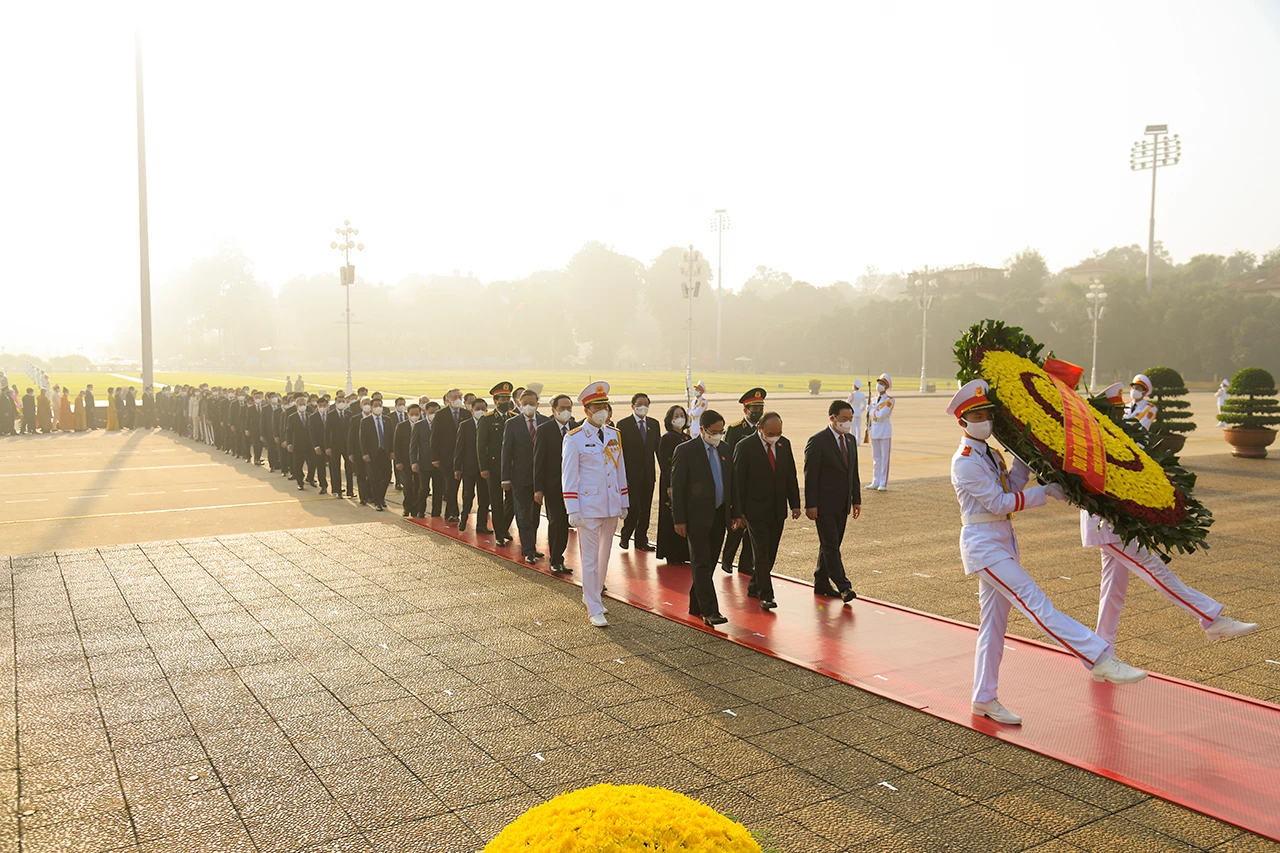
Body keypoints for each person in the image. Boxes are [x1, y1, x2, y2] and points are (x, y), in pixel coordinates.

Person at [947, 379, 1147, 727]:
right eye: (977, 415)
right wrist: (1046, 492)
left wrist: (1029, 454)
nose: (985, 420)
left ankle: (984, 697)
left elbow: (1010, 486)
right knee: (1036, 603)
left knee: (993, 627)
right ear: (962, 421)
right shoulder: (964, 461)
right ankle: (1099, 656)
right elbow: (999, 502)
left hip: (1001, 542)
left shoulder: (990, 454)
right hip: (984, 547)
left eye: (987, 414)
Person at [1082, 383, 1258, 645]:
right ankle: (1210, 619)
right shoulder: (1098, 443)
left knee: (1113, 591)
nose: (1123, 415)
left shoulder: (1112, 439)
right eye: (1117, 411)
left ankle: (1100, 650)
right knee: (1155, 571)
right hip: (1108, 527)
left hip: (1114, 525)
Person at [562, 381, 629, 627]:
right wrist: (573, 508)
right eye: (597, 406)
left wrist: (624, 501)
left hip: (611, 504)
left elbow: (619, 469)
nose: (603, 411)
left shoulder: (614, 435)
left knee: (604, 555)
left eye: (605, 406)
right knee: (589, 558)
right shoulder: (575, 438)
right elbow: (568, 475)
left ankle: (595, 595)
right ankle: (593, 606)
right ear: (586, 410)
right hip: (588, 506)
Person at [671, 407, 737, 627]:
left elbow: (731, 484)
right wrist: (679, 519)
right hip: (695, 517)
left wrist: (735, 513)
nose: (718, 435)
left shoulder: (725, 449)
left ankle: (696, 604)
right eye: (714, 431)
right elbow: (677, 488)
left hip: (719, 515)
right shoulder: (686, 450)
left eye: (721, 430)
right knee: (700, 563)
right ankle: (710, 611)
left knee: (709, 563)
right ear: (702, 429)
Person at [735, 411, 801, 609]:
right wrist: (738, 511)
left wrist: (795, 503)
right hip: (755, 510)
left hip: (777, 509)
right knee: (761, 552)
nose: (775, 435)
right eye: (771, 432)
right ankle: (766, 595)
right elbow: (738, 481)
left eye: (779, 432)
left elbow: (790, 475)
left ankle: (755, 585)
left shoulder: (784, 444)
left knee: (771, 551)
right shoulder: (745, 447)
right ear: (760, 429)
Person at [804, 400, 862, 602]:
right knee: (831, 546)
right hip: (823, 505)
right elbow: (810, 476)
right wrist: (810, 504)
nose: (847, 423)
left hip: (843, 504)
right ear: (832, 418)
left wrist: (856, 499)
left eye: (850, 419)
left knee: (831, 545)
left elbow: (853, 472)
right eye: (843, 419)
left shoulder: (850, 440)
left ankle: (821, 581)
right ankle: (844, 586)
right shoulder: (818, 441)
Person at [720, 388, 765, 576]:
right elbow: (727, 457)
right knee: (737, 526)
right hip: (740, 485)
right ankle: (727, 560)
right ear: (745, 410)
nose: (758, 411)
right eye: (754, 408)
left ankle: (746, 563)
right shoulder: (735, 429)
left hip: (757, 487)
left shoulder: (764, 429)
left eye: (760, 407)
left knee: (753, 530)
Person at [503, 388, 549, 563]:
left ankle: (531, 545)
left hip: (540, 477)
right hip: (520, 477)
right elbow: (506, 452)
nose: (528, 406)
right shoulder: (512, 424)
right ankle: (528, 549)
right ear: (519, 404)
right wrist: (505, 477)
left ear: (538, 404)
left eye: (532, 403)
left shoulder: (545, 422)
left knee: (534, 515)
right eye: (525, 404)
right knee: (522, 514)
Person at [534, 394, 575, 573]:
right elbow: (539, 460)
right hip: (553, 485)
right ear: (553, 410)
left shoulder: (576, 428)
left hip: (573, 485)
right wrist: (538, 489)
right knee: (556, 521)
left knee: (566, 522)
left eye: (569, 408)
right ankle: (555, 559)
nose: (565, 412)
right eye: (562, 408)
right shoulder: (544, 429)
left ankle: (560, 557)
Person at [617, 392, 660, 552]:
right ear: (633, 406)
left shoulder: (654, 424)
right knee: (633, 508)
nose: (643, 407)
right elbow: (619, 453)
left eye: (646, 404)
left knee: (646, 509)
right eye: (640, 403)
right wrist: (622, 476)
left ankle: (641, 540)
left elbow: (658, 449)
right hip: (630, 475)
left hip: (648, 475)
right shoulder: (624, 424)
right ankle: (625, 535)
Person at [477, 383, 517, 545]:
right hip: (494, 466)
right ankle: (499, 534)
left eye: (508, 398)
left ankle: (503, 526)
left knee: (513, 500)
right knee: (496, 501)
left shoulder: (514, 417)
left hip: (512, 466)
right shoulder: (486, 419)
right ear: (495, 400)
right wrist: (483, 467)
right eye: (503, 398)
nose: (506, 400)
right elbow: (480, 445)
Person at [656, 405, 691, 565]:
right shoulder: (667, 438)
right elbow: (665, 463)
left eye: (682, 415)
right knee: (670, 517)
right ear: (670, 419)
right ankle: (671, 552)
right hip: (670, 483)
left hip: (685, 484)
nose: (679, 418)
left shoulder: (686, 438)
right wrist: (670, 485)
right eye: (676, 415)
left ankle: (683, 552)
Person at [453, 397, 489, 533]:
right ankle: (463, 519)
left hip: (485, 468)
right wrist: (457, 468)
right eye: (477, 409)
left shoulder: (489, 424)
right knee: (468, 495)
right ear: (471, 410)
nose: (480, 411)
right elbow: (459, 448)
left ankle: (481, 525)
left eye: (483, 409)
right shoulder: (465, 425)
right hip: (469, 468)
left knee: (484, 497)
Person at [430, 389, 465, 521]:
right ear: (448, 400)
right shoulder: (440, 414)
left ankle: (453, 512)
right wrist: (435, 457)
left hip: (462, 457)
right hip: (446, 457)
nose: (458, 399)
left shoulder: (466, 413)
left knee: (458, 487)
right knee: (451, 486)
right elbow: (434, 437)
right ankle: (453, 513)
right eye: (455, 397)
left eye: (459, 397)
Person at [360, 397, 393, 510]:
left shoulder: (387, 420)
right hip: (372, 454)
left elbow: (391, 437)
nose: (378, 408)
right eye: (375, 406)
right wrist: (365, 453)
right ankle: (377, 502)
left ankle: (381, 497)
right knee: (374, 479)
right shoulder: (365, 421)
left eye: (380, 405)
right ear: (371, 407)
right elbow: (362, 439)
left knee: (387, 476)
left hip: (385, 453)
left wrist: (392, 451)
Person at [394, 403, 422, 517]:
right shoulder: (401, 426)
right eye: (412, 414)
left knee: (418, 485)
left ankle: (416, 507)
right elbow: (396, 445)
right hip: (405, 461)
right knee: (408, 485)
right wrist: (398, 461)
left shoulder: (422, 425)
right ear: (407, 414)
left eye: (417, 414)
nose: (414, 416)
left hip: (419, 461)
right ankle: (407, 507)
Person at [868, 373, 894, 490]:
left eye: (882, 384)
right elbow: (871, 415)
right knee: (876, 458)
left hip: (884, 430)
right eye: (878, 383)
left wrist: (871, 411)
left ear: (886, 386)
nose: (879, 385)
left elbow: (882, 414)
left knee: (884, 458)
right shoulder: (873, 399)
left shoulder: (889, 400)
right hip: (874, 429)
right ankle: (875, 480)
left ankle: (883, 482)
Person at [408, 401, 433, 519]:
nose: (434, 414)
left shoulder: (441, 424)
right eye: (431, 412)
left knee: (439, 489)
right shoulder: (419, 425)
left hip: (438, 462)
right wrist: (414, 462)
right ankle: (420, 510)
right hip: (423, 462)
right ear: (426, 412)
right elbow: (413, 446)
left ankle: (436, 512)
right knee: (424, 488)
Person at [286, 396, 313, 491]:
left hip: (309, 444)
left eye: (304, 404)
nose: (302, 406)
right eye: (300, 404)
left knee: (312, 463)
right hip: (297, 444)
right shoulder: (292, 417)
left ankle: (310, 478)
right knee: (298, 464)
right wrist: (289, 443)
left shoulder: (310, 415)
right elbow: (289, 431)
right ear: (296, 406)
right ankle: (300, 482)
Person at [348, 397, 371, 504]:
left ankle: (371, 495)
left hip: (371, 452)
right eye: (365, 403)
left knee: (372, 475)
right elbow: (351, 437)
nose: (367, 405)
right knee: (361, 474)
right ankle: (363, 497)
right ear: (361, 405)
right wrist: (351, 453)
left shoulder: (375, 418)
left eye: (369, 403)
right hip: (358, 452)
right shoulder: (355, 419)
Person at [309, 396, 332, 494]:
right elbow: (312, 433)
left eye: (324, 405)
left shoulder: (331, 415)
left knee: (333, 467)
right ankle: (323, 485)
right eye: (320, 405)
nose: (322, 407)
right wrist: (316, 446)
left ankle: (336, 487)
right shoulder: (313, 417)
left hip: (331, 445)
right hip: (320, 446)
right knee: (321, 466)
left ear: (327, 405)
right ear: (317, 406)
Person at [846, 380, 867, 446]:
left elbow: (847, 402)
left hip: (853, 411)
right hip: (859, 411)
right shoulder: (862, 394)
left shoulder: (852, 394)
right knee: (858, 427)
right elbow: (865, 404)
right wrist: (861, 410)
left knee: (853, 427)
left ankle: (853, 440)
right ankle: (858, 441)